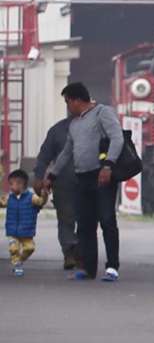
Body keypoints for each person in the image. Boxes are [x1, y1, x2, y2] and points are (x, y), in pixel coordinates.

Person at [47, 82, 125, 282]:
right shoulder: (75, 124)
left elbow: (117, 138)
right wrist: (52, 176)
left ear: (77, 100)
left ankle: (112, 267)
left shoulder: (103, 113)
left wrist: (108, 165)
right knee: (84, 225)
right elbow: (67, 152)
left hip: (102, 177)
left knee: (107, 220)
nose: (67, 107)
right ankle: (88, 268)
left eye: (67, 102)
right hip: (82, 178)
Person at [31, 115, 76, 269]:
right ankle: (69, 253)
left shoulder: (95, 128)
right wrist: (39, 178)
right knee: (66, 219)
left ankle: (82, 253)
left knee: (87, 221)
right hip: (63, 181)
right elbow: (44, 156)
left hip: (88, 183)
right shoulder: (58, 130)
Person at [7, 169, 44, 275]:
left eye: (11, 184)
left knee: (30, 248)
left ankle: (18, 260)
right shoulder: (10, 198)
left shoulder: (31, 197)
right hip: (12, 231)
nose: (10, 187)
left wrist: (44, 196)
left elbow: (40, 202)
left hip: (26, 231)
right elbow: (2, 202)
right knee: (14, 249)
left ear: (21, 184)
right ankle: (16, 265)